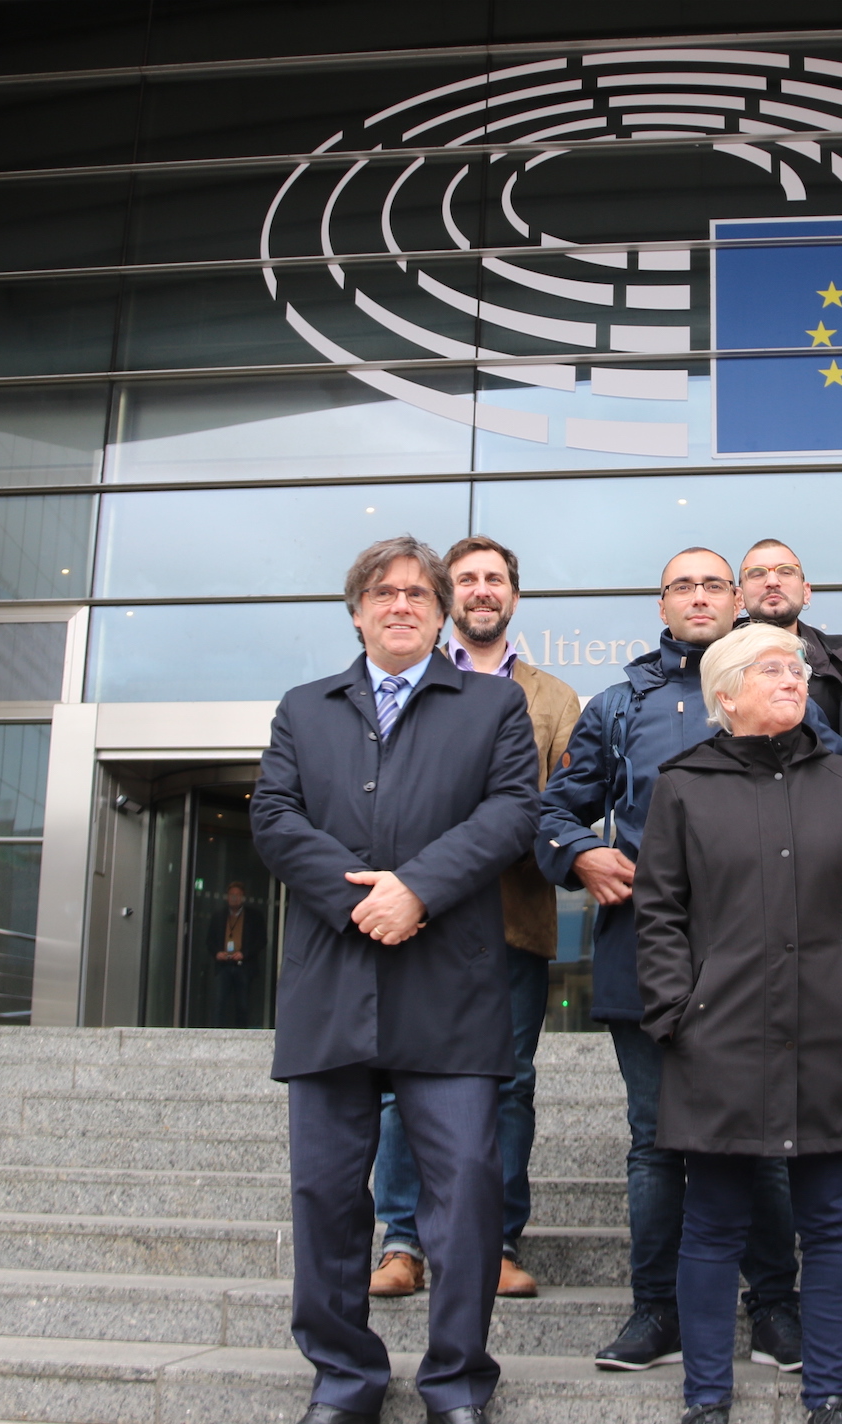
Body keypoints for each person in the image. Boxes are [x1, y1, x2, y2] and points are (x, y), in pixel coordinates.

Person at [537, 547, 842, 1373]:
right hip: (648, 950)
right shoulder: (618, 704)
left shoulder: (783, 691)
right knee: (655, 1141)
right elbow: (553, 810)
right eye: (682, 585)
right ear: (662, 604)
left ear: (739, 598)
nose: (700, 596)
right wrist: (579, 851)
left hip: (768, 964)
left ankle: (777, 1314)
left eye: (715, 583)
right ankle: (658, 1313)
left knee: (766, 1142)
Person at [252, 535, 541, 1424]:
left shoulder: (493, 706)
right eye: (384, 592)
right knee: (326, 1196)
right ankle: (345, 1379)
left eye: (420, 592)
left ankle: (457, 1383)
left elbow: (514, 812)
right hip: (333, 984)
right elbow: (273, 814)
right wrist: (358, 901)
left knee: (462, 1198)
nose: (402, 604)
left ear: (442, 610)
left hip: (448, 987)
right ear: (356, 610)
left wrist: (418, 888)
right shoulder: (306, 708)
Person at [633, 621, 842, 1424]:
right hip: (715, 1038)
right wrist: (674, 1013)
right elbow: (660, 915)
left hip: (832, 1031)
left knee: (829, 1220)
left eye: (798, 669)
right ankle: (707, 1398)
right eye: (773, 669)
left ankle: (830, 1390)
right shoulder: (682, 784)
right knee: (713, 1222)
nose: (795, 678)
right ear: (726, 696)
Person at [370, 536, 584, 1301]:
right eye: (467, 579)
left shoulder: (554, 699)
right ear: (444, 595)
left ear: (515, 597)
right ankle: (402, 1243)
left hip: (510, 925)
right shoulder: (406, 684)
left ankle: (493, 1241)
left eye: (496, 579)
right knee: (401, 1082)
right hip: (413, 922)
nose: (483, 590)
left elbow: (558, 808)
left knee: (507, 1086)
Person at [736, 537, 842, 1249]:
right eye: (757, 574)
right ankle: (763, 1201)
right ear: (740, 593)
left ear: (808, 590)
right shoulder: (717, 664)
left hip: (829, 870)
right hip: (743, 873)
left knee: (840, 1040)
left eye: (786, 572)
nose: (772, 583)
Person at [204, 881, 259, 1028]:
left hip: (244, 966)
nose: (234, 898)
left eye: (238, 895)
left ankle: (242, 1036)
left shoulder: (253, 917)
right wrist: (217, 953)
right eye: (232, 895)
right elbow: (209, 940)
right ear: (227, 897)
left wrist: (244, 954)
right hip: (223, 965)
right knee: (218, 1003)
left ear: (243, 897)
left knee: (243, 1004)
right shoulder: (219, 916)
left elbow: (261, 940)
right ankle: (216, 1035)